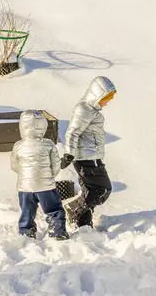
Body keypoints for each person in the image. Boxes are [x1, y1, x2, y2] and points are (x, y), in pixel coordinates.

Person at [61, 76, 116, 228]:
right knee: (102, 190)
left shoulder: (91, 110)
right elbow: (72, 132)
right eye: (106, 97)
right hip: (86, 158)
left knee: (90, 191)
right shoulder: (84, 110)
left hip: (91, 156)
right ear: (97, 95)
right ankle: (73, 209)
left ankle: (84, 224)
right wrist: (69, 153)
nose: (108, 101)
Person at [11, 110, 69, 240]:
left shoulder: (18, 145)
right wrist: (49, 177)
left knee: (27, 211)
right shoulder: (48, 144)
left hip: (24, 187)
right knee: (54, 209)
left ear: (22, 126)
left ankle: (26, 232)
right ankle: (58, 232)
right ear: (43, 126)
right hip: (45, 186)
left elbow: (14, 166)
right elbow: (56, 165)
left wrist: (25, 176)